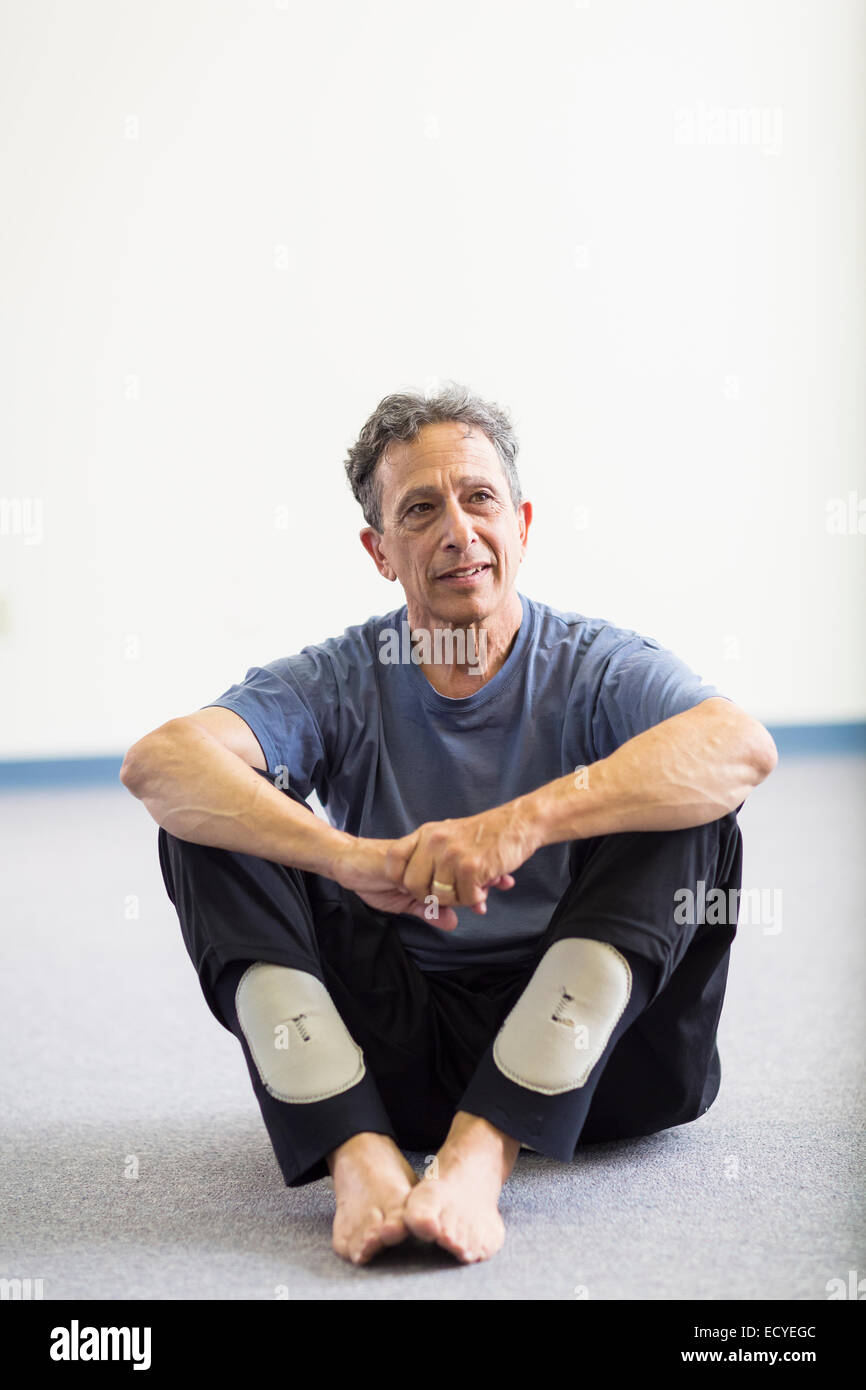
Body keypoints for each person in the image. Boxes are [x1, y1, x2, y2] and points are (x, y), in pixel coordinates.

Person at [120, 382, 778, 1267]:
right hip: (395, 1058)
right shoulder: (342, 676)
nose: (458, 531)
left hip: (599, 1063)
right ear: (380, 552)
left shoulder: (598, 666)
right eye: (421, 510)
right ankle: (358, 1160)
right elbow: (159, 763)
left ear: (523, 523)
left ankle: (480, 1155)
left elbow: (741, 747)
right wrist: (349, 858)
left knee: (696, 809)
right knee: (209, 822)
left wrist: (523, 822)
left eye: (479, 499)